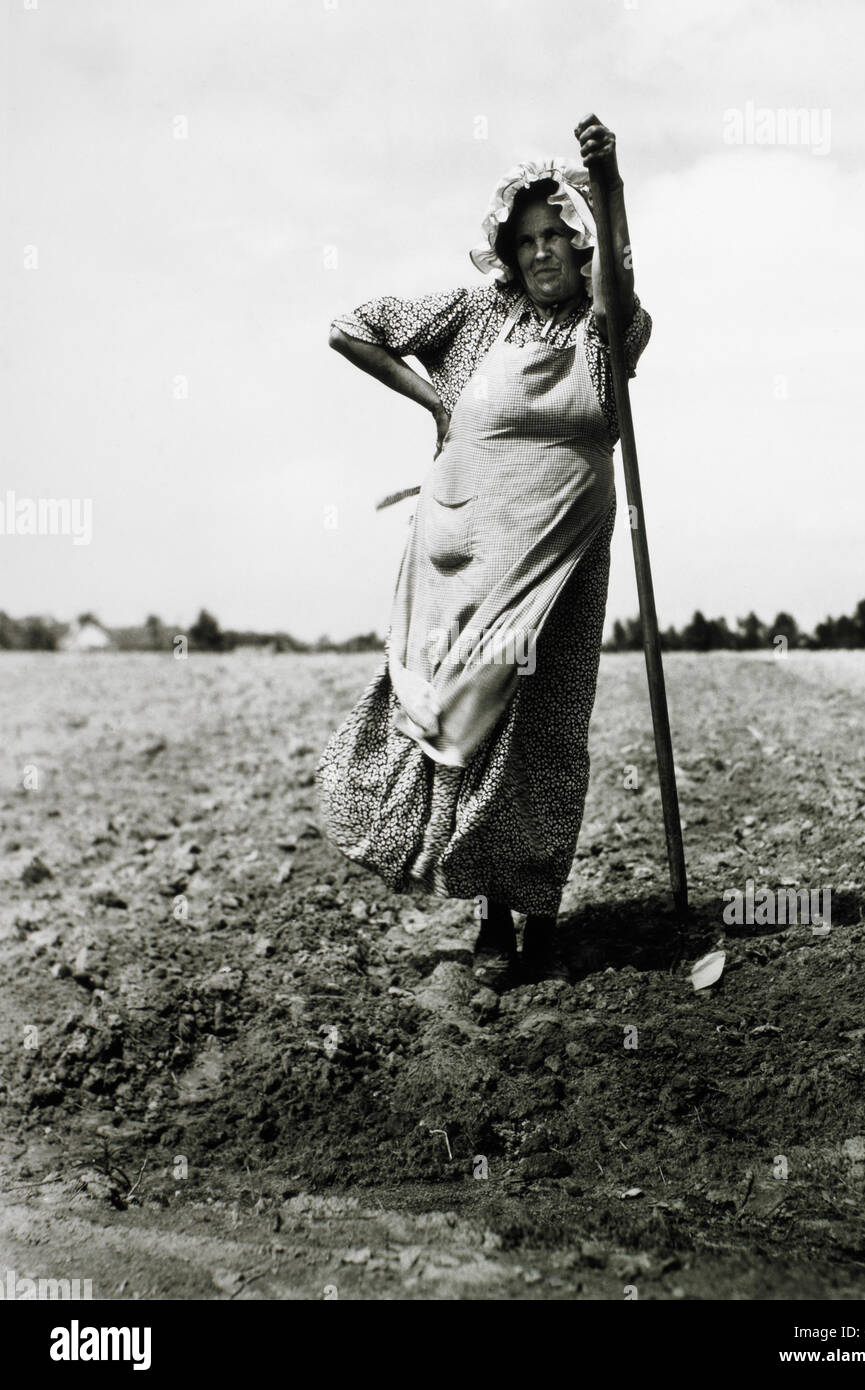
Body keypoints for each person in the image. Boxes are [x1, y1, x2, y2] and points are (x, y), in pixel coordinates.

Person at [317, 115, 652, 989]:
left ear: (580, 246)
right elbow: (350, 325)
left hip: (565, 553)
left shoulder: (608, 329)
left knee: (548, 729)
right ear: (508, 250)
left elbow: (618, 277)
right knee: (475, 724)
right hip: (467, 552)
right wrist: (434, 402)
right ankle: (492, 915)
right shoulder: (474, 316)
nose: (543, 253)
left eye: (558, 237)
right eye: (527, 239)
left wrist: (607, 184)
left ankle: (537, 909)